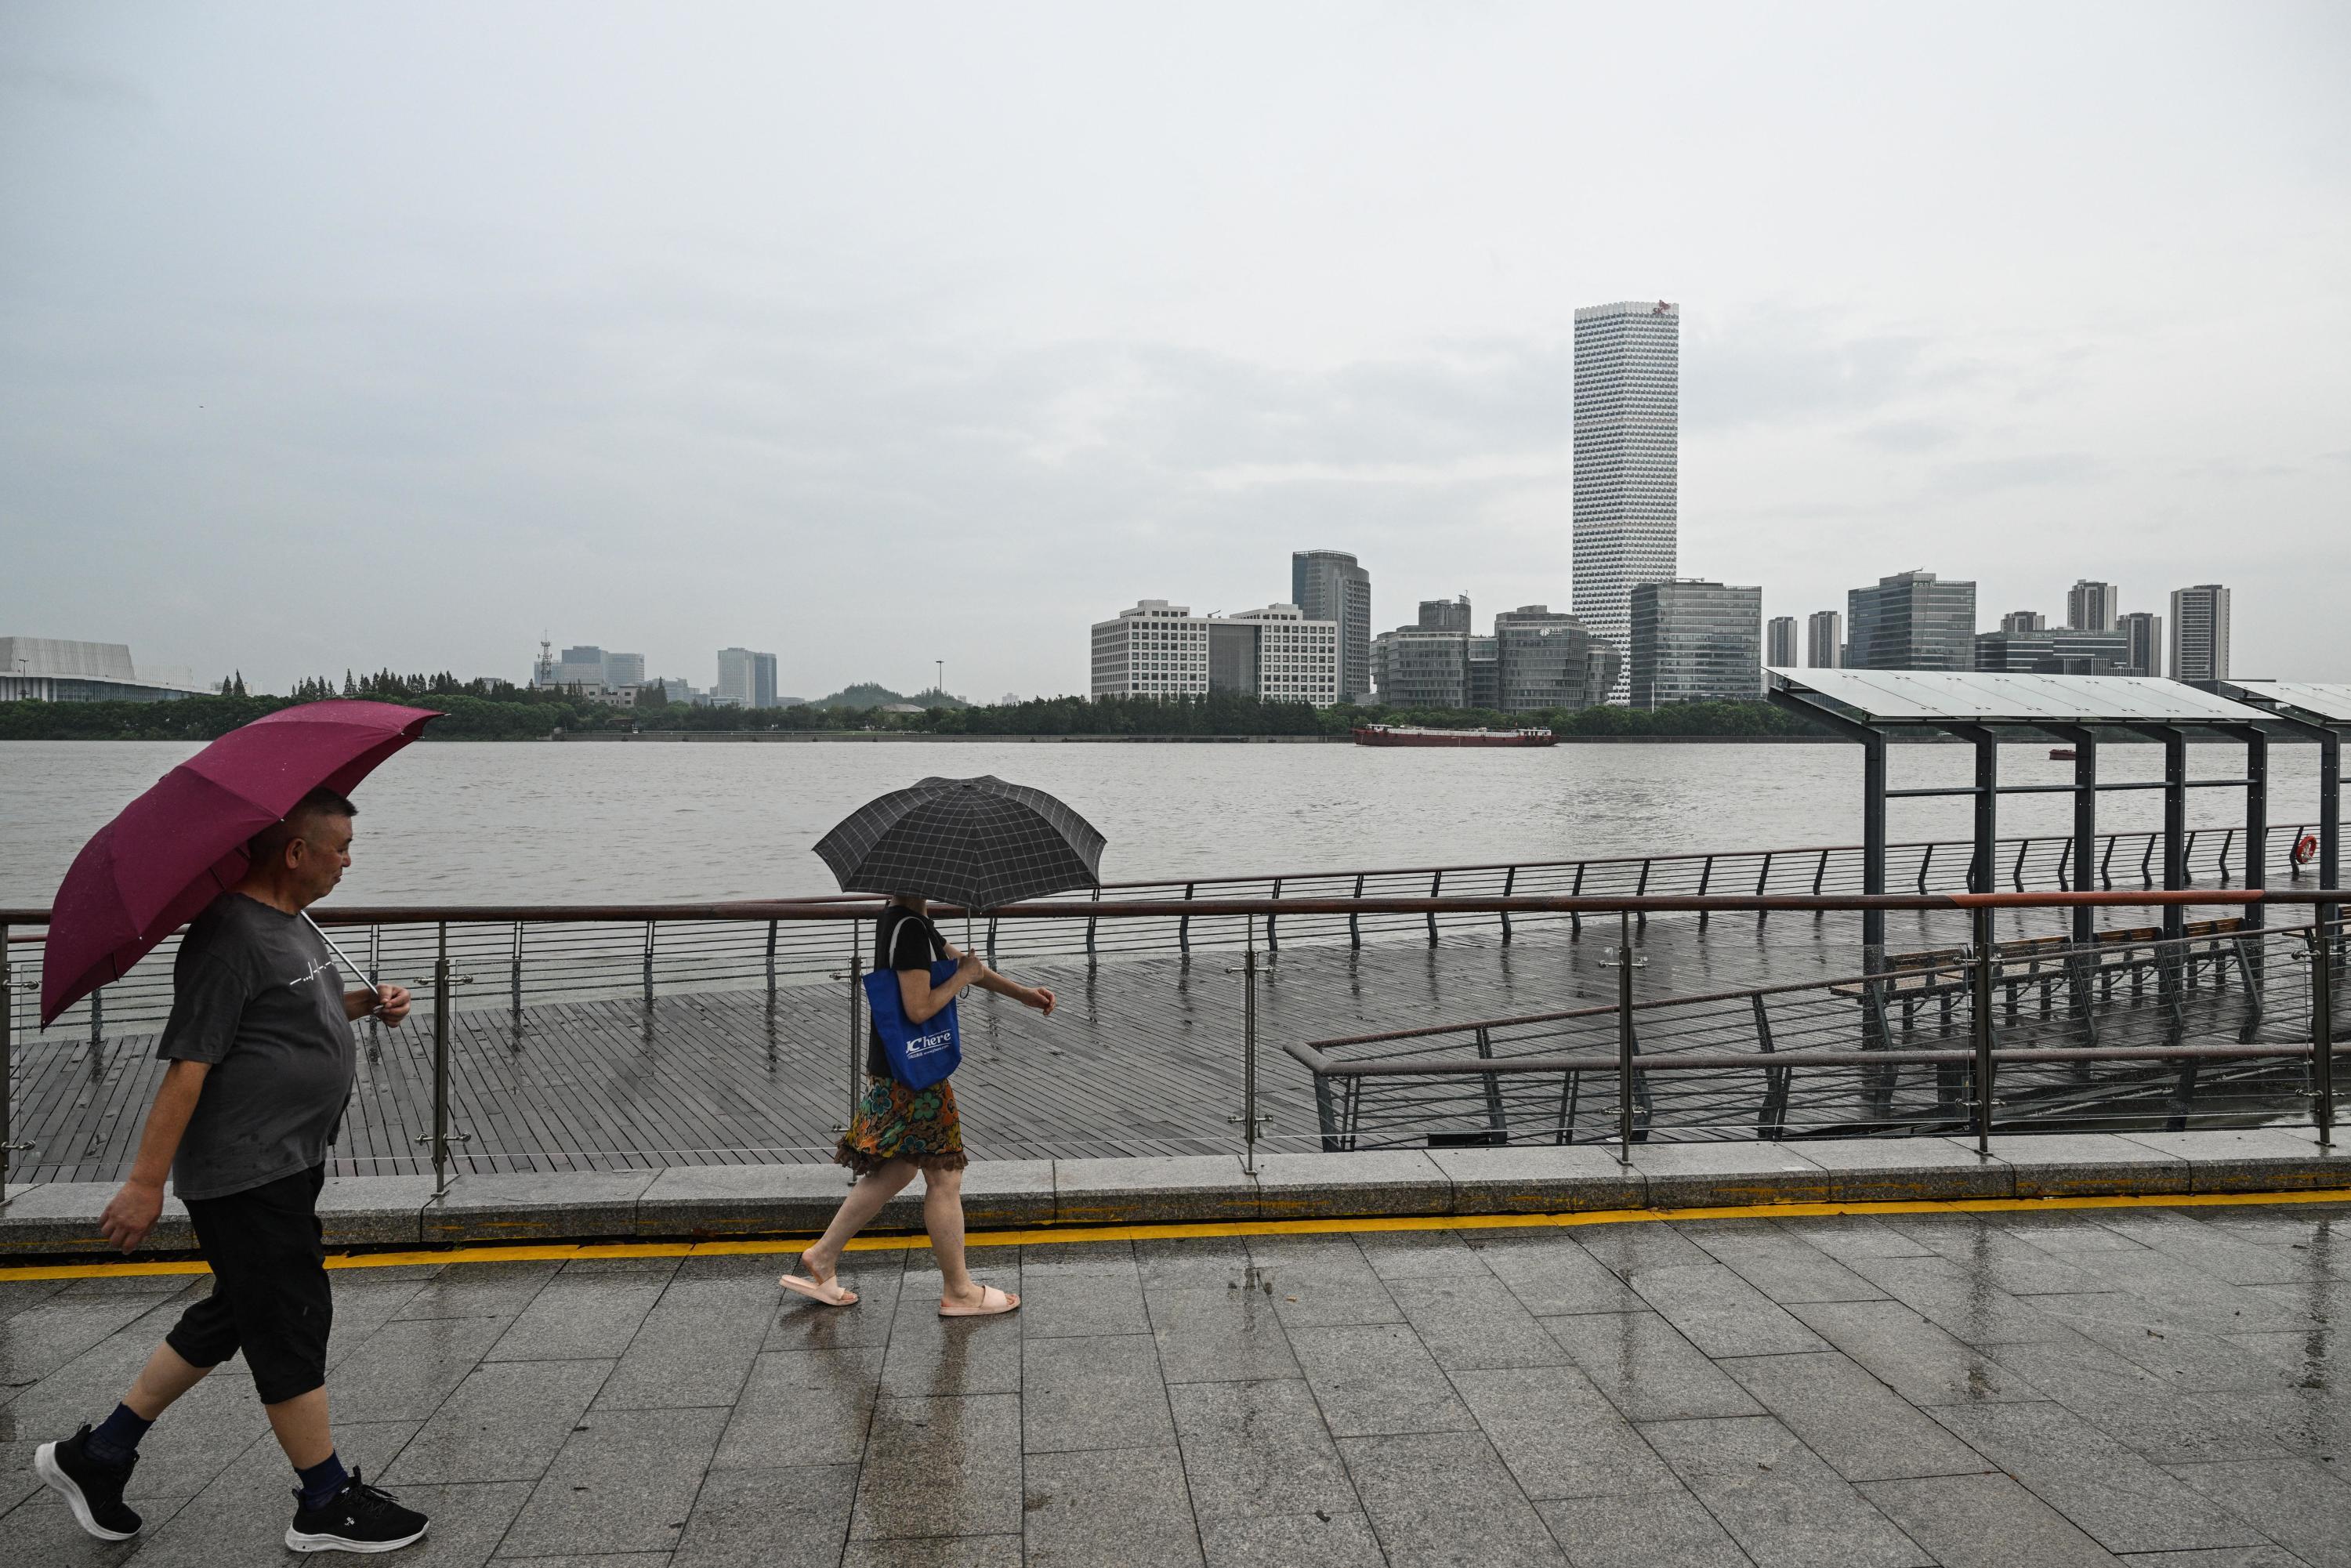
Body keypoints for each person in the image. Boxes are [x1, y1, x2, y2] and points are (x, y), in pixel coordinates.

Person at [34, 786, 433, 1555]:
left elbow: (290, 1014)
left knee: (237, 1313)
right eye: (341, 848)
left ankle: (101, 1456)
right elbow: (189, 1063)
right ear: (295, 852)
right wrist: (145, 1183)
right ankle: (324, 1502)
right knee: (288, 1319)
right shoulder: (228, 936)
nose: (348, 862)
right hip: (245, 1170)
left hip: (289, 1159)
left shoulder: (293, 922)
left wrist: (364, 1003)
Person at [779, 893, 1056, 1316]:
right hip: (914, 1080)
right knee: (945, 1177)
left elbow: (970, 966)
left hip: (895, 1070)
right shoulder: (909, 929)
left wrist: (1021, 994)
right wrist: (960, 979)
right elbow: (919, 1006)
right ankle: (960, 1292)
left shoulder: (908, 919)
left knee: (901, 1166)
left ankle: (823, 1255)